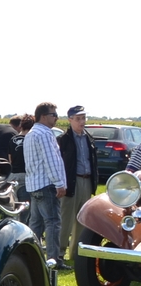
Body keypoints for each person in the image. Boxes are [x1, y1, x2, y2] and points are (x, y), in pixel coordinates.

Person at [24, 102, 67, 267]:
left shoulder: (30, 134)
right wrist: (59, 183)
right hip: (47, 185)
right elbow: (51, 161)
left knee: (35, 224)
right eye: (53, 115)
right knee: (53, 223)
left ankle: (29, 257)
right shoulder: (44, 134)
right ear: (43, 116)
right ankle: (54, 260)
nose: (56, 118)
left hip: (34, 185)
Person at [57, 105, 98, 263]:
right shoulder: (63, 139)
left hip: (87, 181)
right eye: (78, 119)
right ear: (70, 120)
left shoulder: (88, 138)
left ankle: (76, 254)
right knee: (65, 219)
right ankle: (59, 253)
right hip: (70, 182)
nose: (82, 122)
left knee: (82, 219)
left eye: (84, 118)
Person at [8, 114, 34, 223]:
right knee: (25, 214)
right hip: (26, 178)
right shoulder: (31, 140)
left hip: (13, 177)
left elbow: (10, 160)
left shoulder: (12, 139)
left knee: (14, 211)